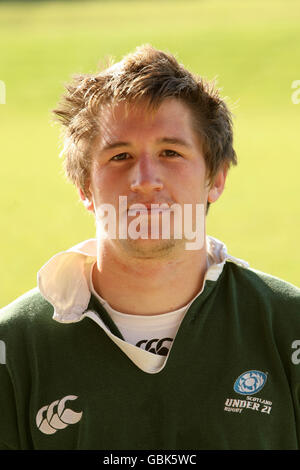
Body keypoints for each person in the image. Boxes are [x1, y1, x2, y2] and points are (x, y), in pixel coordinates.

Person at [0, 44, 300, 451]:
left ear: (216, 178)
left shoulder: (288, 326)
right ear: (85, 187)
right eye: (120, 155)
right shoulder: (14, 346)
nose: (145, 179)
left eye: (170, 153)